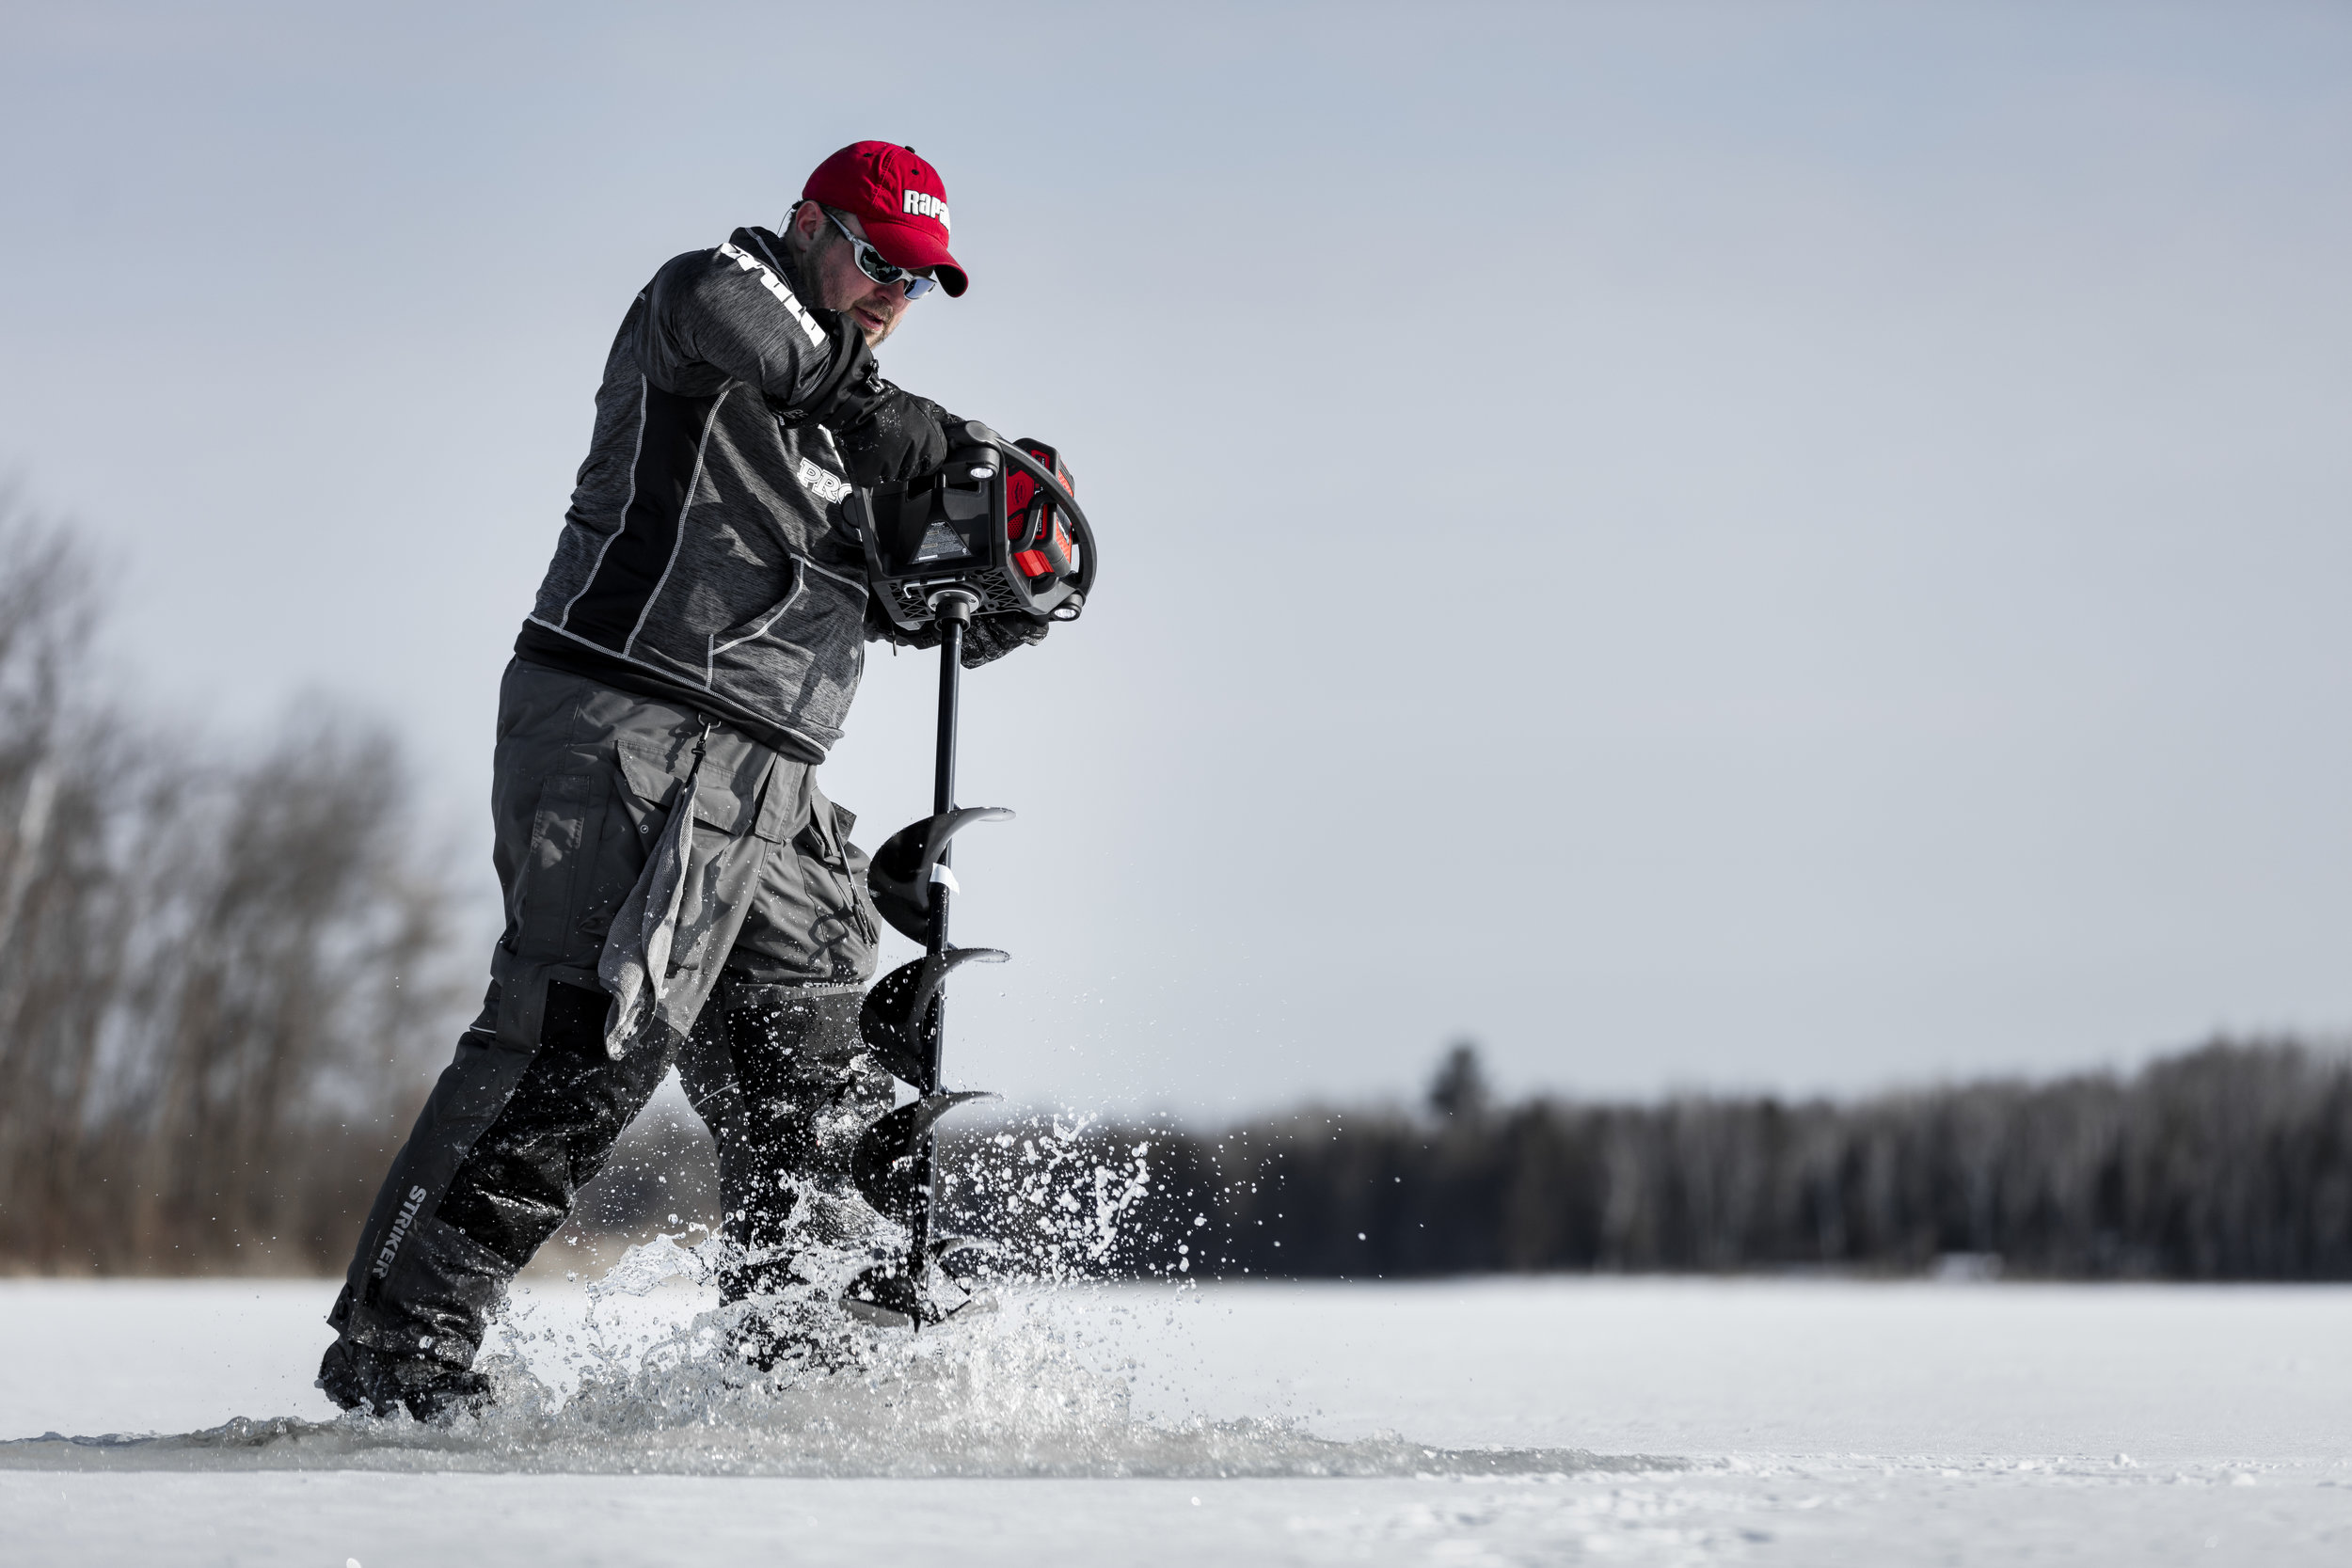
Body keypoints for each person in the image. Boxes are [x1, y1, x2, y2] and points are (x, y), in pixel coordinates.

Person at [316, 141, 1047, 1419]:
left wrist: (1001, 582)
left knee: (807, 1080)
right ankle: (402, 1351)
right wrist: (922, 437)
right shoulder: (711, 306)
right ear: (809, 225)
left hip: (773, 782)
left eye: (917, 283)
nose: (891, 298)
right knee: (582, 1046)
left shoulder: (855, 435)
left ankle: (793, 1362)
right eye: (878, 262)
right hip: (628, 725)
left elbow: (905, 593)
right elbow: (765, 342)